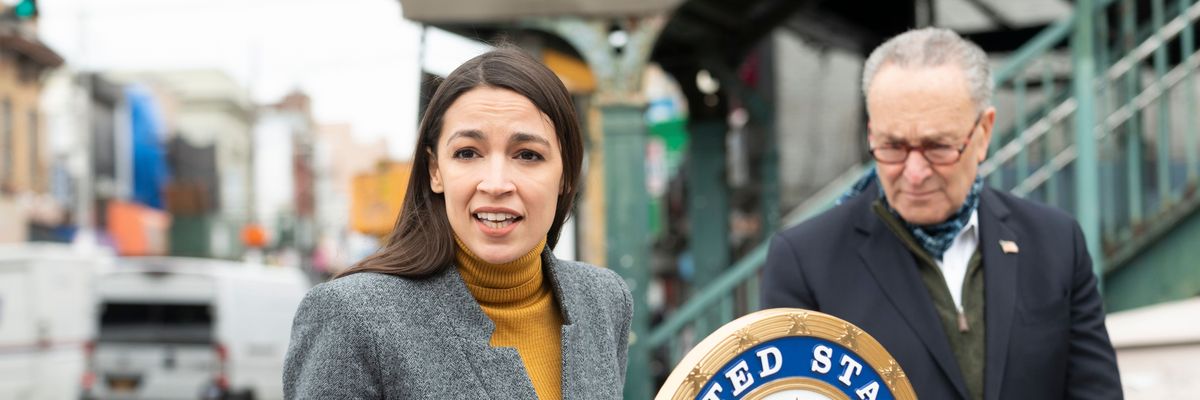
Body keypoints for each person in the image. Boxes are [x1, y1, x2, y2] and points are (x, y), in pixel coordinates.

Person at [761, 28, 1122, 399]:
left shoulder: (1056, 243)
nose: (914, 173)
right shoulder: (806, 262)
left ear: (983, 132)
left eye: (937, 147)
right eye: (893, 146)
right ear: (871, 133)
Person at [283, 47, 632, 399]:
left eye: (528, 155)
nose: (495, 184)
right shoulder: (354, 316)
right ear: (435, 170)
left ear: (566, 175)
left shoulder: (603, 300)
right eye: (467, 153)